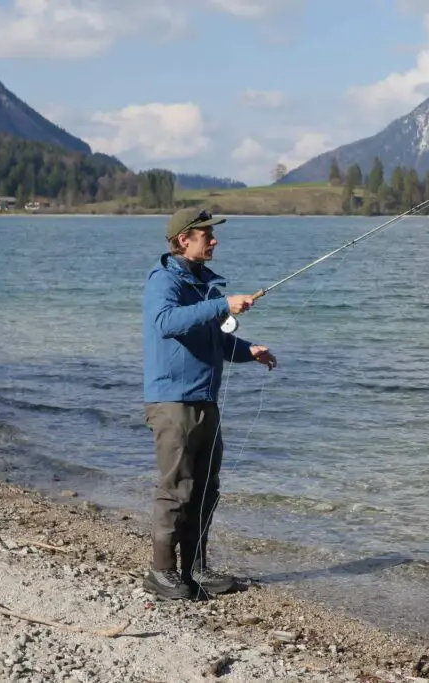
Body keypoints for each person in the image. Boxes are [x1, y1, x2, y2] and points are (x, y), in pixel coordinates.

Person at [141, 207, 277, 600]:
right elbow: (166, 322)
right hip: (172, 403)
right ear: (184, 239)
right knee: (176, 490)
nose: (214, 240)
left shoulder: (204, 286)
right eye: (206, 235)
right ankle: (161, 572)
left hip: (205, 401)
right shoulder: (162, 280)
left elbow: (213, 340)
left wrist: (250, 350)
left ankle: (196, 569)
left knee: (205, 489)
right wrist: (223, 306)